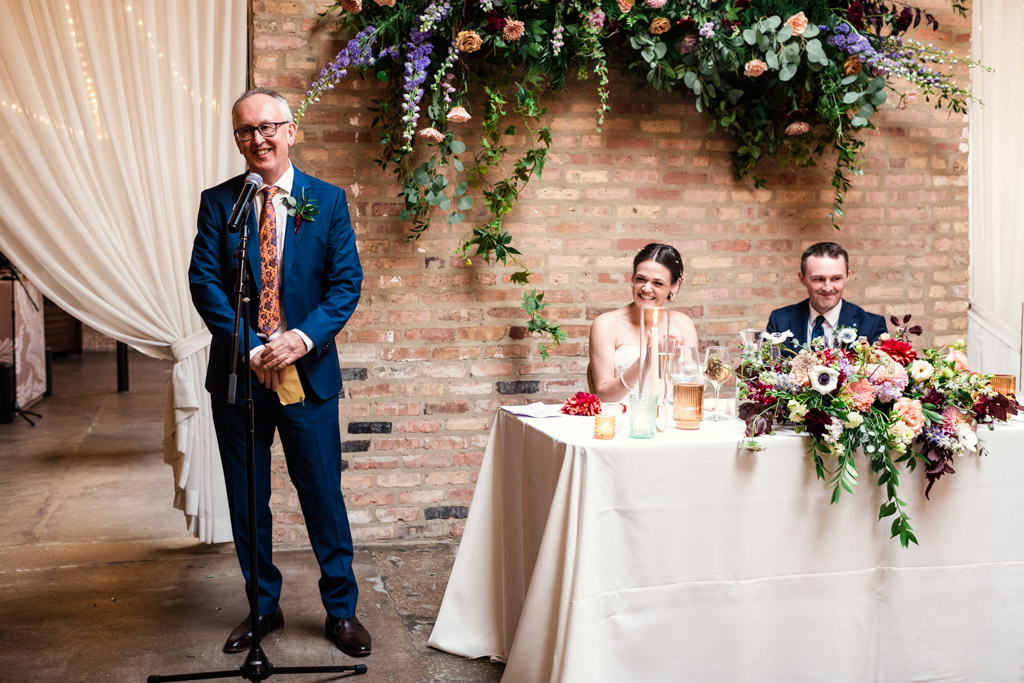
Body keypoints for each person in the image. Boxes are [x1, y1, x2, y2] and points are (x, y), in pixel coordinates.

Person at [189, 87, 370, 657]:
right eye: (245, 130)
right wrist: (248, 347)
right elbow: (204, 283)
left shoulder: (328, 200)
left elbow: (346, 285)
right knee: (248, 501)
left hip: (306, 374)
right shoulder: (221, 202)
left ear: (290, 131)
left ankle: (341, 611)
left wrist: (298, 339)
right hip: (241, 376)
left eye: (268, 127)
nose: (258, 139)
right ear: (237, 139)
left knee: (322, 496)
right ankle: (262, 607)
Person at [589, 243, 699, 402]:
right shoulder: (606, 324)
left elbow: (692, 389)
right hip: (622, 420)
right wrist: (646, 361)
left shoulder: (683, 324)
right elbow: (604, 396)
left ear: (675, 285)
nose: (646, 288)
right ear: (632, 278)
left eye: (658, 283)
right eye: (641, 279)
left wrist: (674, 367)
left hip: (670, 420)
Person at [765, 241, 886, 351]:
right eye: (819, 279)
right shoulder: (780, 321)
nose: (828, 288)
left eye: (836, 278)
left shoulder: (871, 325)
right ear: (802, 278)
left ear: (847, 276)